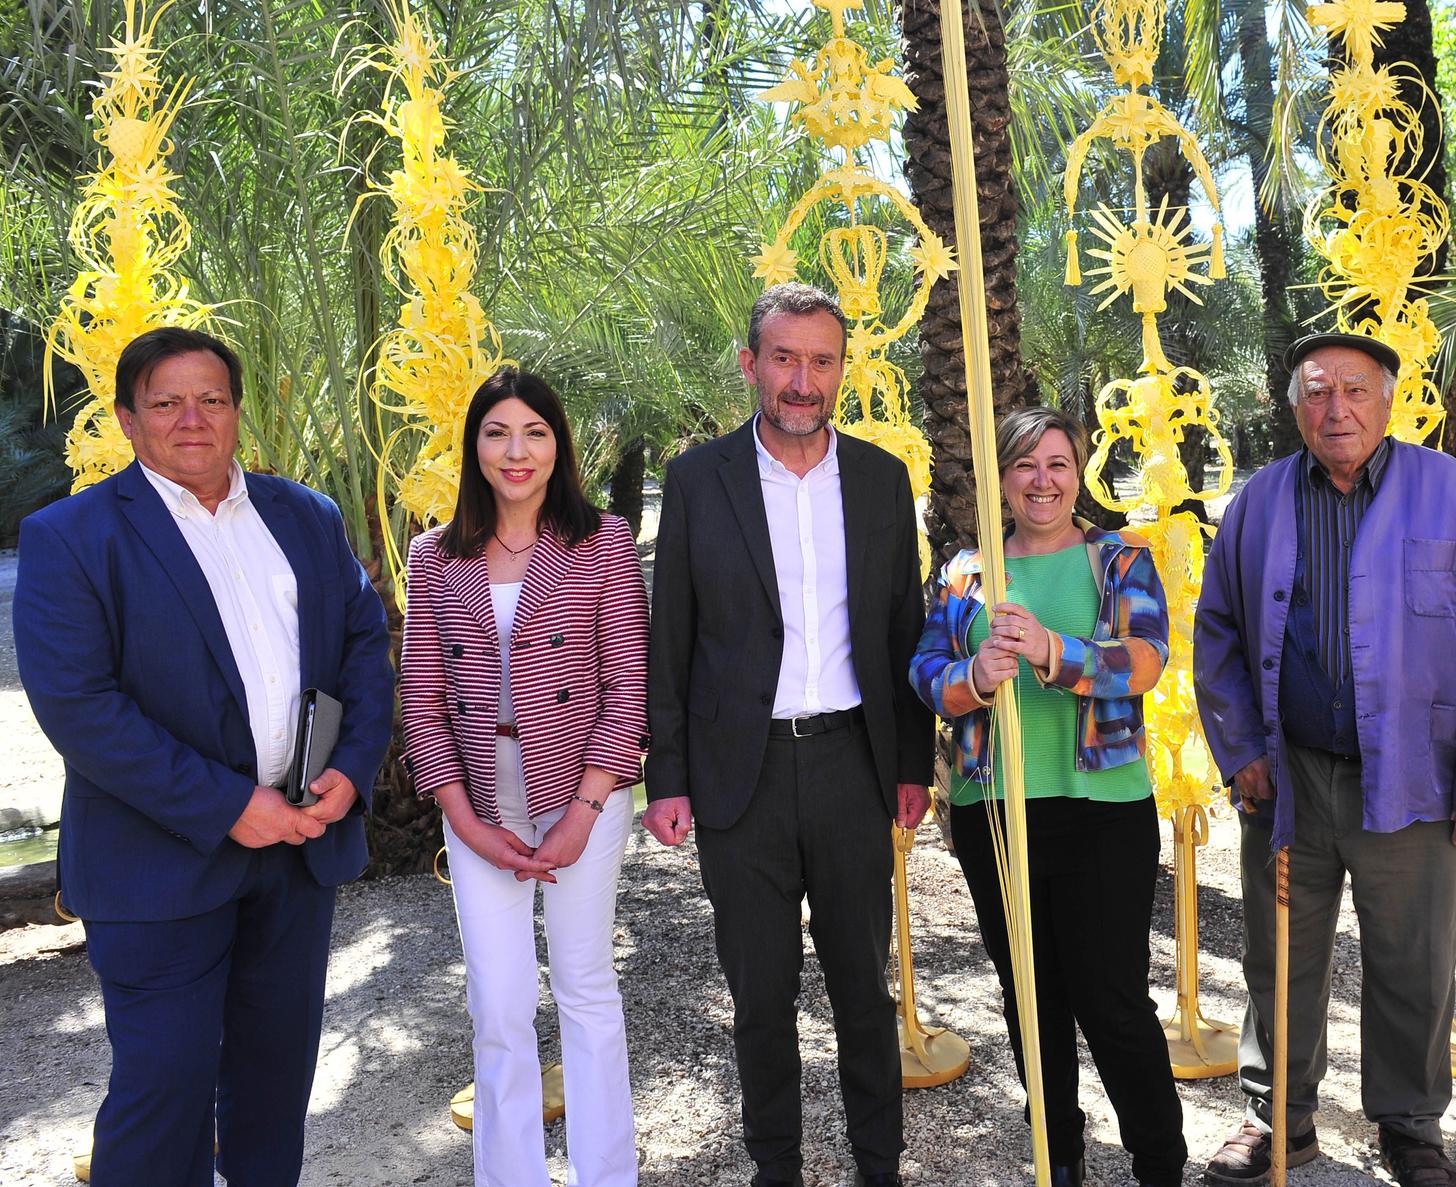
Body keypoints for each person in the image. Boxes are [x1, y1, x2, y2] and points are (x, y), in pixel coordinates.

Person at [12, 326, 392, 1187]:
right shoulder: (72, 536)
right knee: (163, 1095)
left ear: (237, 411)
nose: (193, 418)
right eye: (167, 401)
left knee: (271, 1093)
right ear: (126, 417)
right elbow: (82, 707)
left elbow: (364, 648)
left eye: (211, 399)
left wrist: (349, 770)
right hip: (159, 868)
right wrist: (228, 804)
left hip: (297, 852)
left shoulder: (307, 516)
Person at [1192, 331, 1456, 1187]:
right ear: (1293, 403)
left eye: (1353, 389)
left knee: (1413, 953)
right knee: (1279, 949)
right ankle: (1281, 1118)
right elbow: (1219, 631)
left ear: (1387, 399)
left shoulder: (1450, 492)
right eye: (1316, 391)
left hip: (1416, 773)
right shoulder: (1262, 501)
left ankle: (1411, 1126)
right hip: (1290, 773)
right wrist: (1240, 753)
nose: (1335, 407)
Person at [640, 282, 933, 1187]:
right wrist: (668, 776)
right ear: (750, 364)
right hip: (742, 777)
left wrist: (912, 765)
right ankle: (777, 1168)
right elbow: (671, 637)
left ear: (842, 369)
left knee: (861, 988)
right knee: (760, 995)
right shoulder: (697, 481)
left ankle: (877, 1164)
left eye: (821, 360)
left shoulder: (883, 479)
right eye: (784, 358)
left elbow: (901, 629)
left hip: (853, 763)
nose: (802, 381)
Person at [910, 406, 1188, 1187]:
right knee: (1031, 995)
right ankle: (1057, 1154)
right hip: (992, 809)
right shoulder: (967, 573)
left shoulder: (1117, 561)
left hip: (1102, 811)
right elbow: (926, 671)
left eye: (1058, 463)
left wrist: (1050, 651)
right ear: (1003, 477)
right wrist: (971, 680)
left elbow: (1144, 660)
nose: (1042, 480)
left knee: (1111, 999)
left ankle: (1159, 1162)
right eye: (1026, 465)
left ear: (1079, 473)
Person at [400, 368, 649, 1187]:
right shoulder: (434, 555)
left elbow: (627, 686)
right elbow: (423, 700)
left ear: (558, 444)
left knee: (584, 984)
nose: (517, 451)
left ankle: (606, 1175)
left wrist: (584, 809)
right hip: (475, 803)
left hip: (583, 791)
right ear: (475, 444)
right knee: (499, 1003)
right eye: (498, 432)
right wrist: (463, 820)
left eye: (534, 432)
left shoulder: (602, 540)